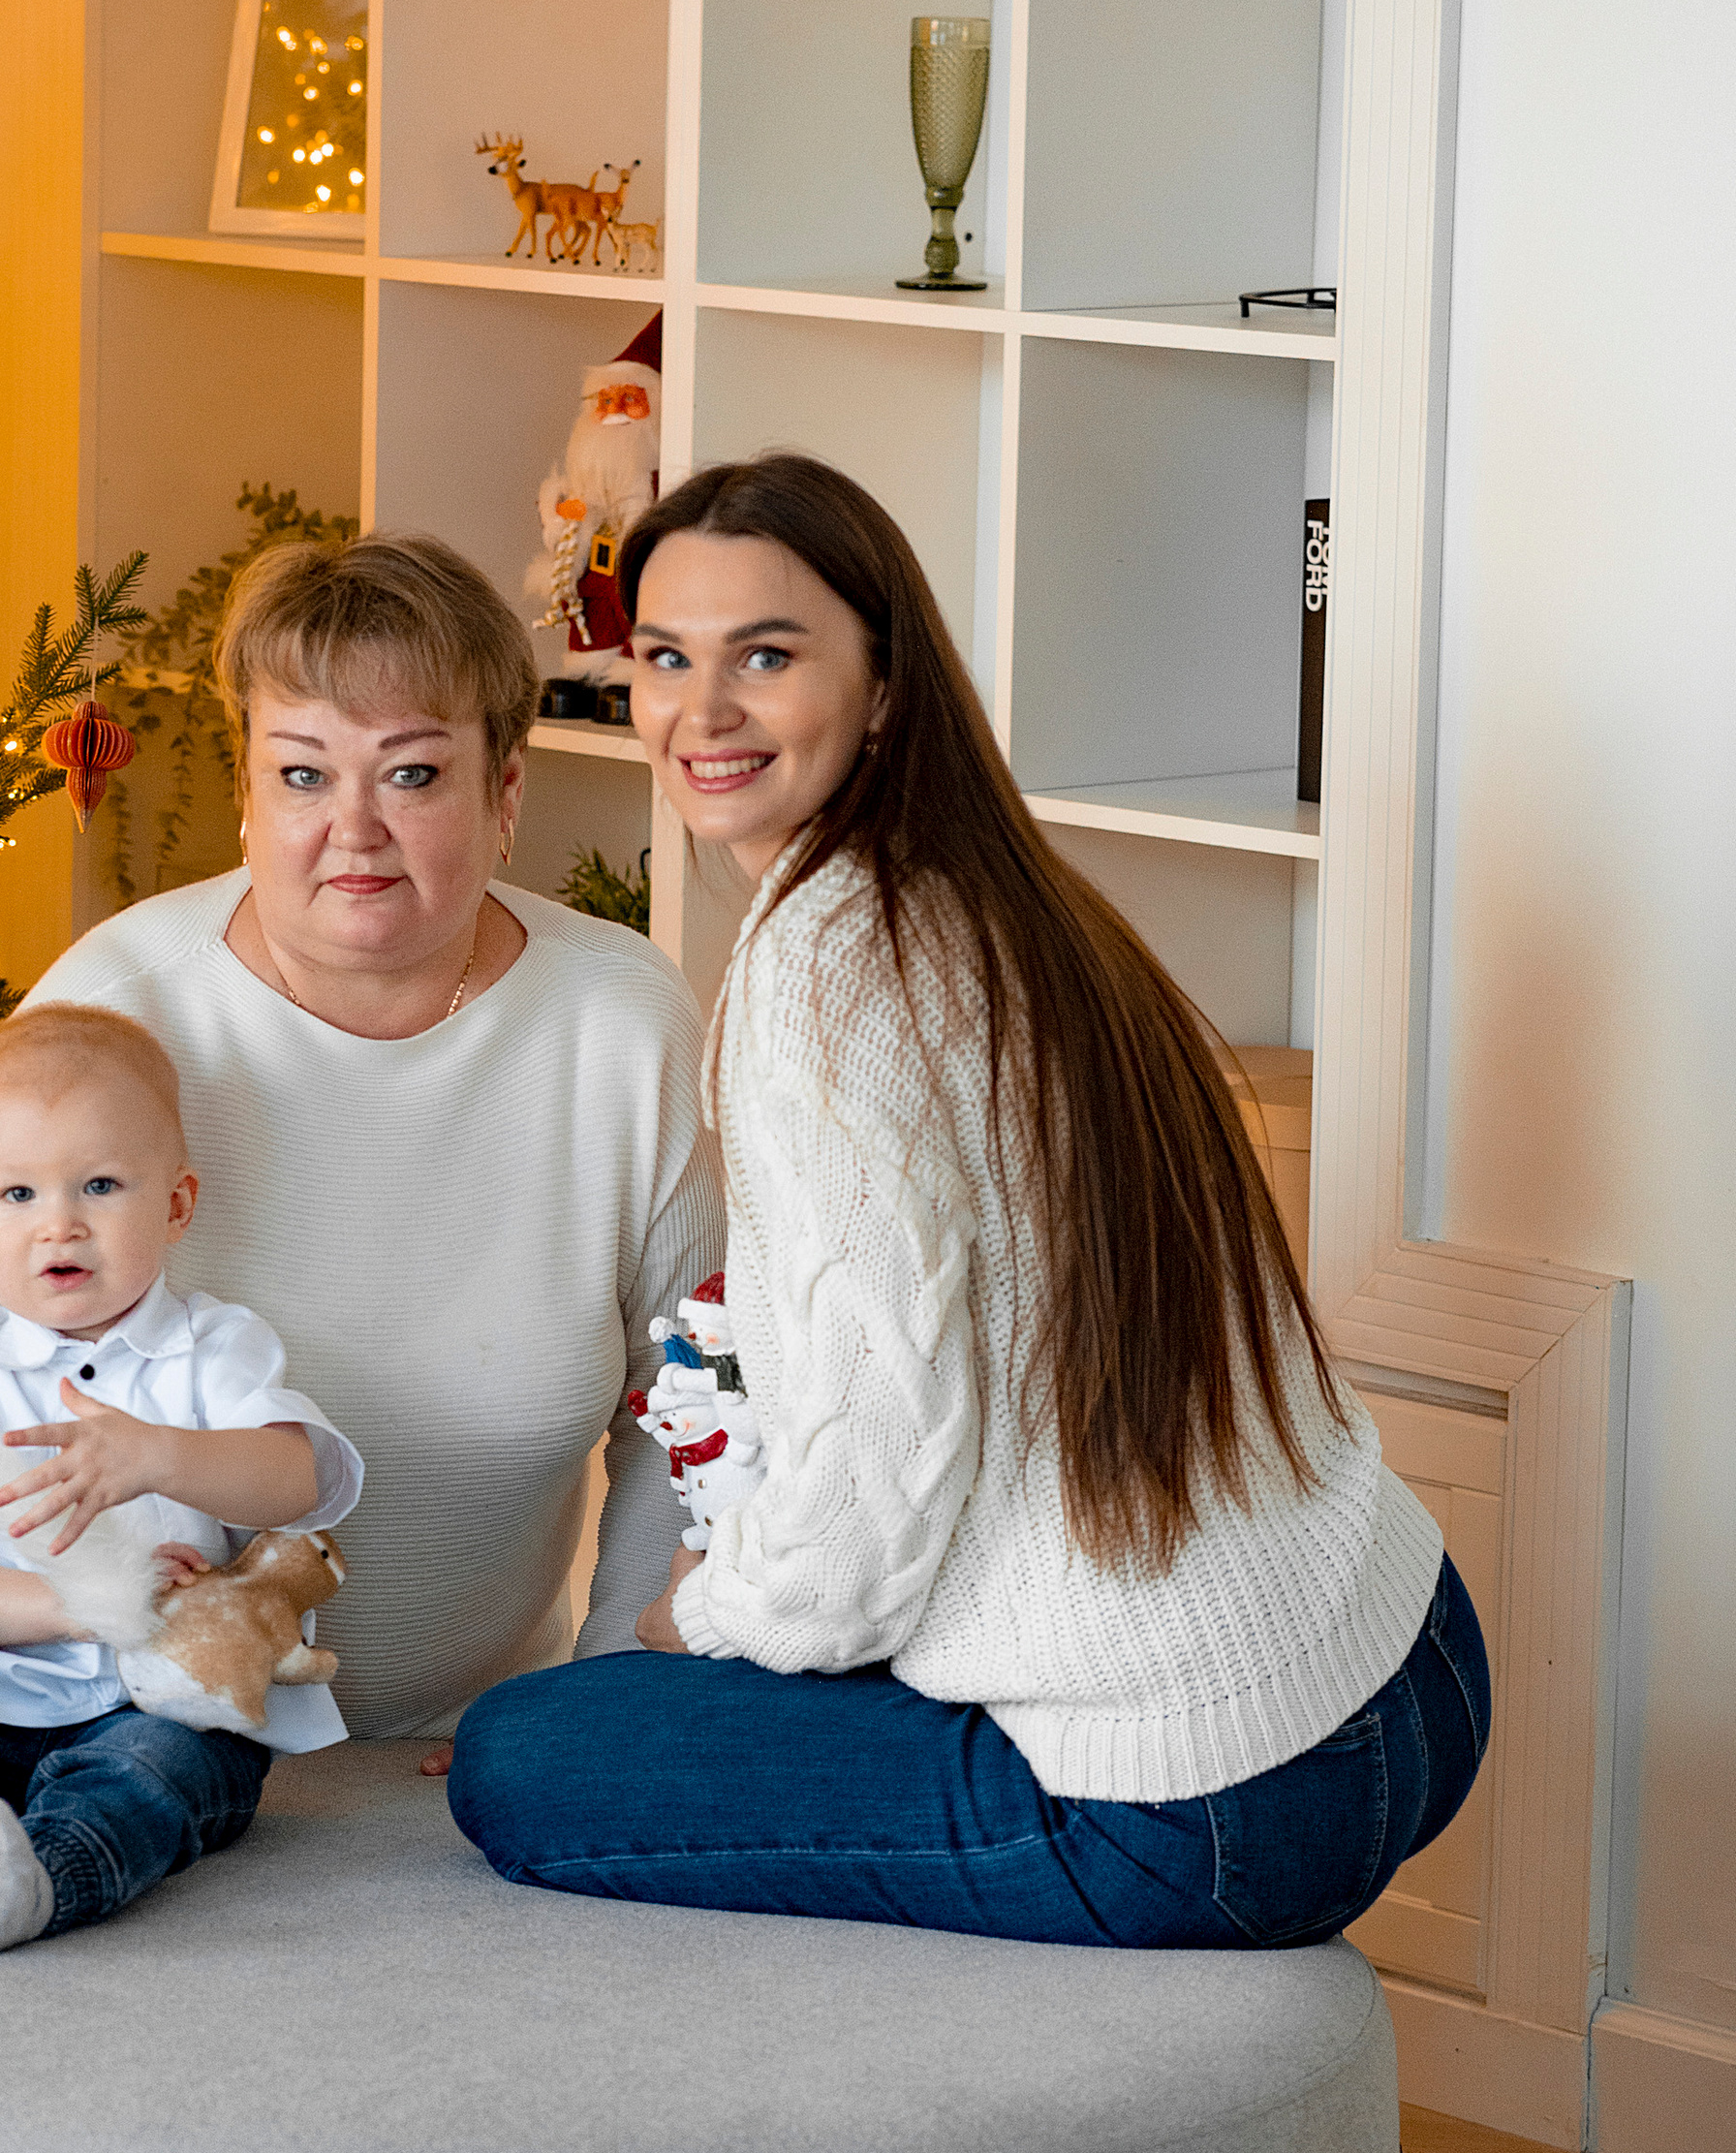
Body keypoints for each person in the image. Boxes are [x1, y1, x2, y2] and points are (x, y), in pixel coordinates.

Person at [448, 454, 1490, 1950]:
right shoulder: (995, 890)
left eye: (766, 656)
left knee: (526, 1754)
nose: (701, 711)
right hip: (1410, 1651)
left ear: (884, 687)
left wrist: (702, 1612)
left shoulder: (821, 974)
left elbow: (859, 1538)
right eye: (666, 658)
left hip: (1201, 1798)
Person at [0, 529, 723, 1828]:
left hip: (464, 1766)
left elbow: (687, 1400)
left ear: (505, 792)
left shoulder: (622, 1021)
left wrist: (604, 1696)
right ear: (247, 792)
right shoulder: (128, 999)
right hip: (115, 1735)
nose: (353, 831)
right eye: (302, 773)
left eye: (414, 773)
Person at [0, 1003, 360, 1952]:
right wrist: (73, 1607)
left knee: (161, 1769)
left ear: (175, 1204)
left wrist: (161, 1455)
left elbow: (298, 1479)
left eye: (100, 1185)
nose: (60, 1225)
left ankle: (46, 1876)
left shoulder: (215, 1350)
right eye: (17, 1195)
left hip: (155, 1703)